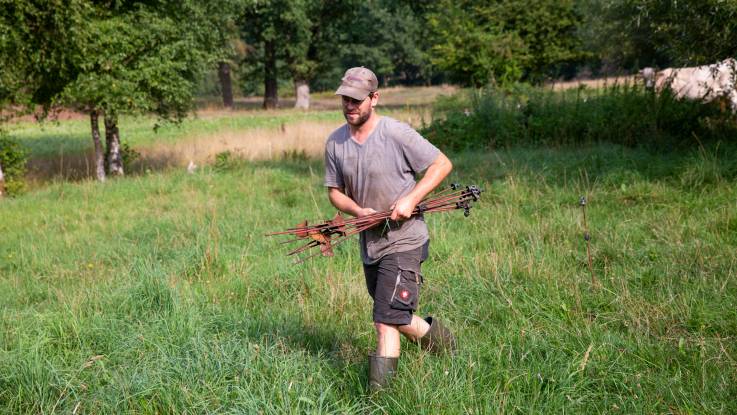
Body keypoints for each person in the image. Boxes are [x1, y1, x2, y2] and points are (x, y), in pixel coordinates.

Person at [323, 67, 457, 391]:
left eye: (356, 100)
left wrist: (411, 198)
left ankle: (380, 400)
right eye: (345, 99)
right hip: (370, 244)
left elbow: (442, 164)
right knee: (395, 314)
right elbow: (334, 191)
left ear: (374, 98)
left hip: (405, 239)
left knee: (384, 320)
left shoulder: (395, 133)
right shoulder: (335, 143)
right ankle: (445, 346)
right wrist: (357, 210)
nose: (350, 106)